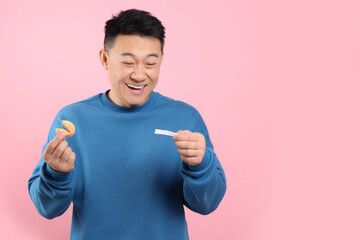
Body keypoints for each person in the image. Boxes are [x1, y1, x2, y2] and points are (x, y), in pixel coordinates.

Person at [28, 8, 226, 240]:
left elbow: (207, 204)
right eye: (128, 62)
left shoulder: (185, 118)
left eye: (150, 64)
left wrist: (201, 165)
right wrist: (56, 173)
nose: (140, 75)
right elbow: (47, 208)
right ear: (104, 59)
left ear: (161, 60)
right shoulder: (72, 120)